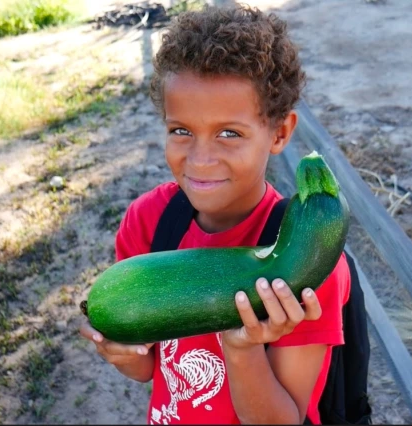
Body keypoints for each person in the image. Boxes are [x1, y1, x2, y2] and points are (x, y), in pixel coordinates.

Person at [79, 4, 351, 424]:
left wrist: (242, 350)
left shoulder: (309, 263)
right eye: (181, 131)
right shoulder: (149, 222)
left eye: (229, 134)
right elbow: (148, 368)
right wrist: (121, 352)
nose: (201, 159)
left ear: (279, 132)